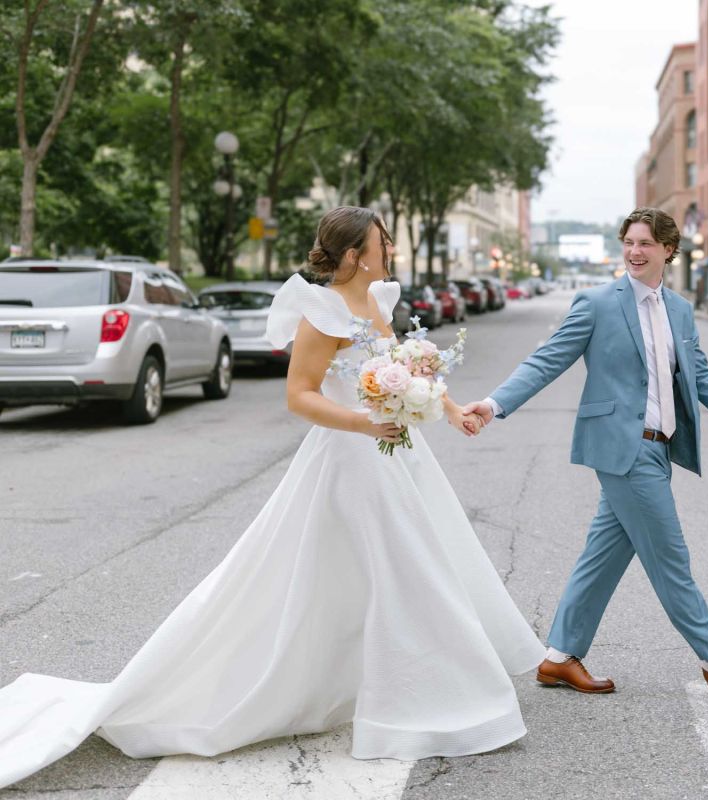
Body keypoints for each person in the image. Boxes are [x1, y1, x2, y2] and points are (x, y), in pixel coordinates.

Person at [0, 206, 545, 789]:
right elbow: (300, 396)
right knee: (404, 571)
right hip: (352, 459)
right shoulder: (322, 311)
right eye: (381, 241)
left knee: (395, 569)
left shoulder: (380, 302)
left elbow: (409, 378)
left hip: (398, 457)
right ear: (356, 255)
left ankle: (395, 687)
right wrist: (363, 424)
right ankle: (429, 702)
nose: (390, 247)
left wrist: (455, 411)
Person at [463, 207, 708, 694]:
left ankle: (559, 656)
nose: (634, 251)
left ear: (668, 250)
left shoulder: (679, 310)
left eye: (646, 243)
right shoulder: (597, 303)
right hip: (622, 447)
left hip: (660, 448)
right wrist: (493, 404)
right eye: (629, 242)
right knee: (670, 557)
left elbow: (701, 375)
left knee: (603, 555)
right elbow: (546, 360)